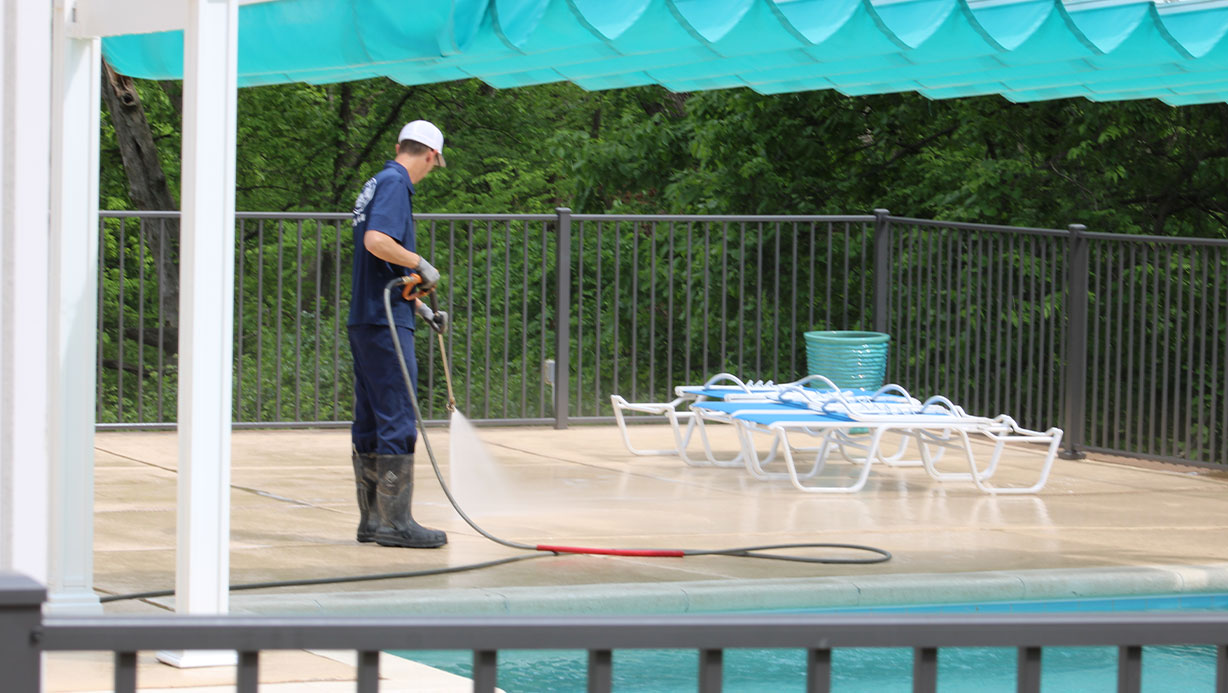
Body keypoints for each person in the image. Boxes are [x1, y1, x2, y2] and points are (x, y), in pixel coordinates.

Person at [347, 120, 450, 548]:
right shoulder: (394, 183)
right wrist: (421, 263)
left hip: (368, 317)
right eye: (434, 164)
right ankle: (396, 524)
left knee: (371, 418)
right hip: (384, 322)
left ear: (398, 145)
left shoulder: (376, 183)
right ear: (430, 155)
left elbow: (383, 268)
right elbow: (377, 241)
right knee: (398, 416)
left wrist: (422, 309)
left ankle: (373, 521)